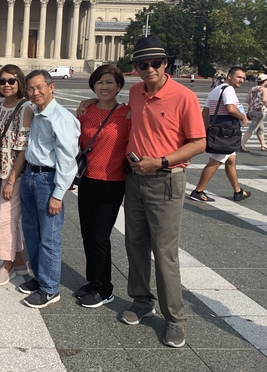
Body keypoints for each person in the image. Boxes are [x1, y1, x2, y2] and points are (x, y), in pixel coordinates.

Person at [76, 36, 206, 347]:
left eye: (155, 63)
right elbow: (118, 118)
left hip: (166, 178)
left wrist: (161, 160)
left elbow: (199, 143)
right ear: (135, 67)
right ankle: (141, 301)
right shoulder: (136, 92)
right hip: (133, 178)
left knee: (164, 252)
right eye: (141, 64)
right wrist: (89, 103)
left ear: (165, 64)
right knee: (135, 245)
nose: (149, 69)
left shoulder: (184, 96)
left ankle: (174, 318)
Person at [16, 70, 80, 308]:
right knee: (31, 231)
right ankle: (40, 277)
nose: (35, 92)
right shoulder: (36, 113)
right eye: (31, 88)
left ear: (51, 87)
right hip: (31, 175)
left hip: (48, 179)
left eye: (40, 87)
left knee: (49, 237)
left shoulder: (61, 118)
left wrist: (58, 194)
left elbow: (67, 160)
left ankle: (51, 288)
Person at [75, 65, 130, 308]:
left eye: (109, 82)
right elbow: (75, 142)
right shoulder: (87, 112)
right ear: (93, 86)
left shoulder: (128, 113)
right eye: (99, 83)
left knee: (100, 236)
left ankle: (104, 288)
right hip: (88, 180)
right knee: (87, 234)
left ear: (119, 86)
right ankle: (93, 280)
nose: (104, 87)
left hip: (113, 181)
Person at [0, 65, 33, 286]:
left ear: (20, 83)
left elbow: (23, 148)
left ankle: (6, 265)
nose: (6, 85)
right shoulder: (1, 105)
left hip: (15, 173)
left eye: (11, 81)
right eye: (2, 81)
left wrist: (12, 180)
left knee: (5, 218)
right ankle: (19, 263)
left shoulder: (25, 107)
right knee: (9, 218)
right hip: (0, 171)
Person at [189, 66, 251, 203]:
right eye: (238, 77)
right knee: (214, 162)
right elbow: (230, 109)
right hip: (226, 134)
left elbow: (205, 113)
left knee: (231, 161)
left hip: (218, 131)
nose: (241, 80)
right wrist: (242, 117)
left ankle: (238, 191)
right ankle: (198, 191)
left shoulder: (215, 90)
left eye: (243, 78)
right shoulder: (229, 90)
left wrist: (204, 131)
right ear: (229, 76)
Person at [241, 73, 267, 151]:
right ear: (265, 81)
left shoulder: (252, 89)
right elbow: (264, 100)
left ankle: (263, 145)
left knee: (260, 128)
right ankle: (242, 144)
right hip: (260, 111)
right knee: (252, 128)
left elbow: (247, 100)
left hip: (251, 111)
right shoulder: (264, 89)